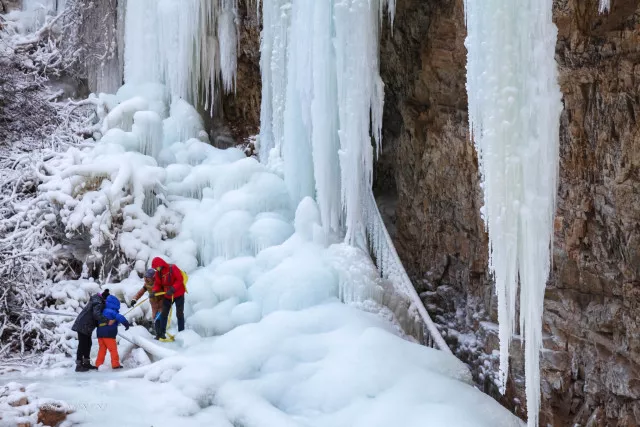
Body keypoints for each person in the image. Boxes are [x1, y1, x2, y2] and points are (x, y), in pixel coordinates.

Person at [71, 289, 114, 372]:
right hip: (83, 325)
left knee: (88, 344)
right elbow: (96, 314)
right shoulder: (98, 302)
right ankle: (79, 365)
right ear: (105, 299)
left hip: (87, 325)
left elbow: (94, 315)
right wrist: (108, 321)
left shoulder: (97, 300)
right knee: (82, 344)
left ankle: (86, 363)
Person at [149, 257, 186, 340]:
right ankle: (161, 334)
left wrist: (173, 289)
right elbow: (158, 284)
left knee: (179, 314)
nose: (156, 269)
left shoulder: (173, 268)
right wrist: (154, 291)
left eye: (156, 267)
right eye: (155, 268)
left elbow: (180, 279)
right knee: (164, 314)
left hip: (178, 294)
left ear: (161, 264)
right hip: (167, 295)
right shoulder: (158, 273)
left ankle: (182, 334)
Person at [95, 295, 130, 369]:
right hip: (108, 334)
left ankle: (98, 364)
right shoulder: (111, 311)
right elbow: (120, 317)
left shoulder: (103, 310)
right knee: (113, 349)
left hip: (100, 334)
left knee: (102, 350)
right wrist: (126, 324)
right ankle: (115, 364)